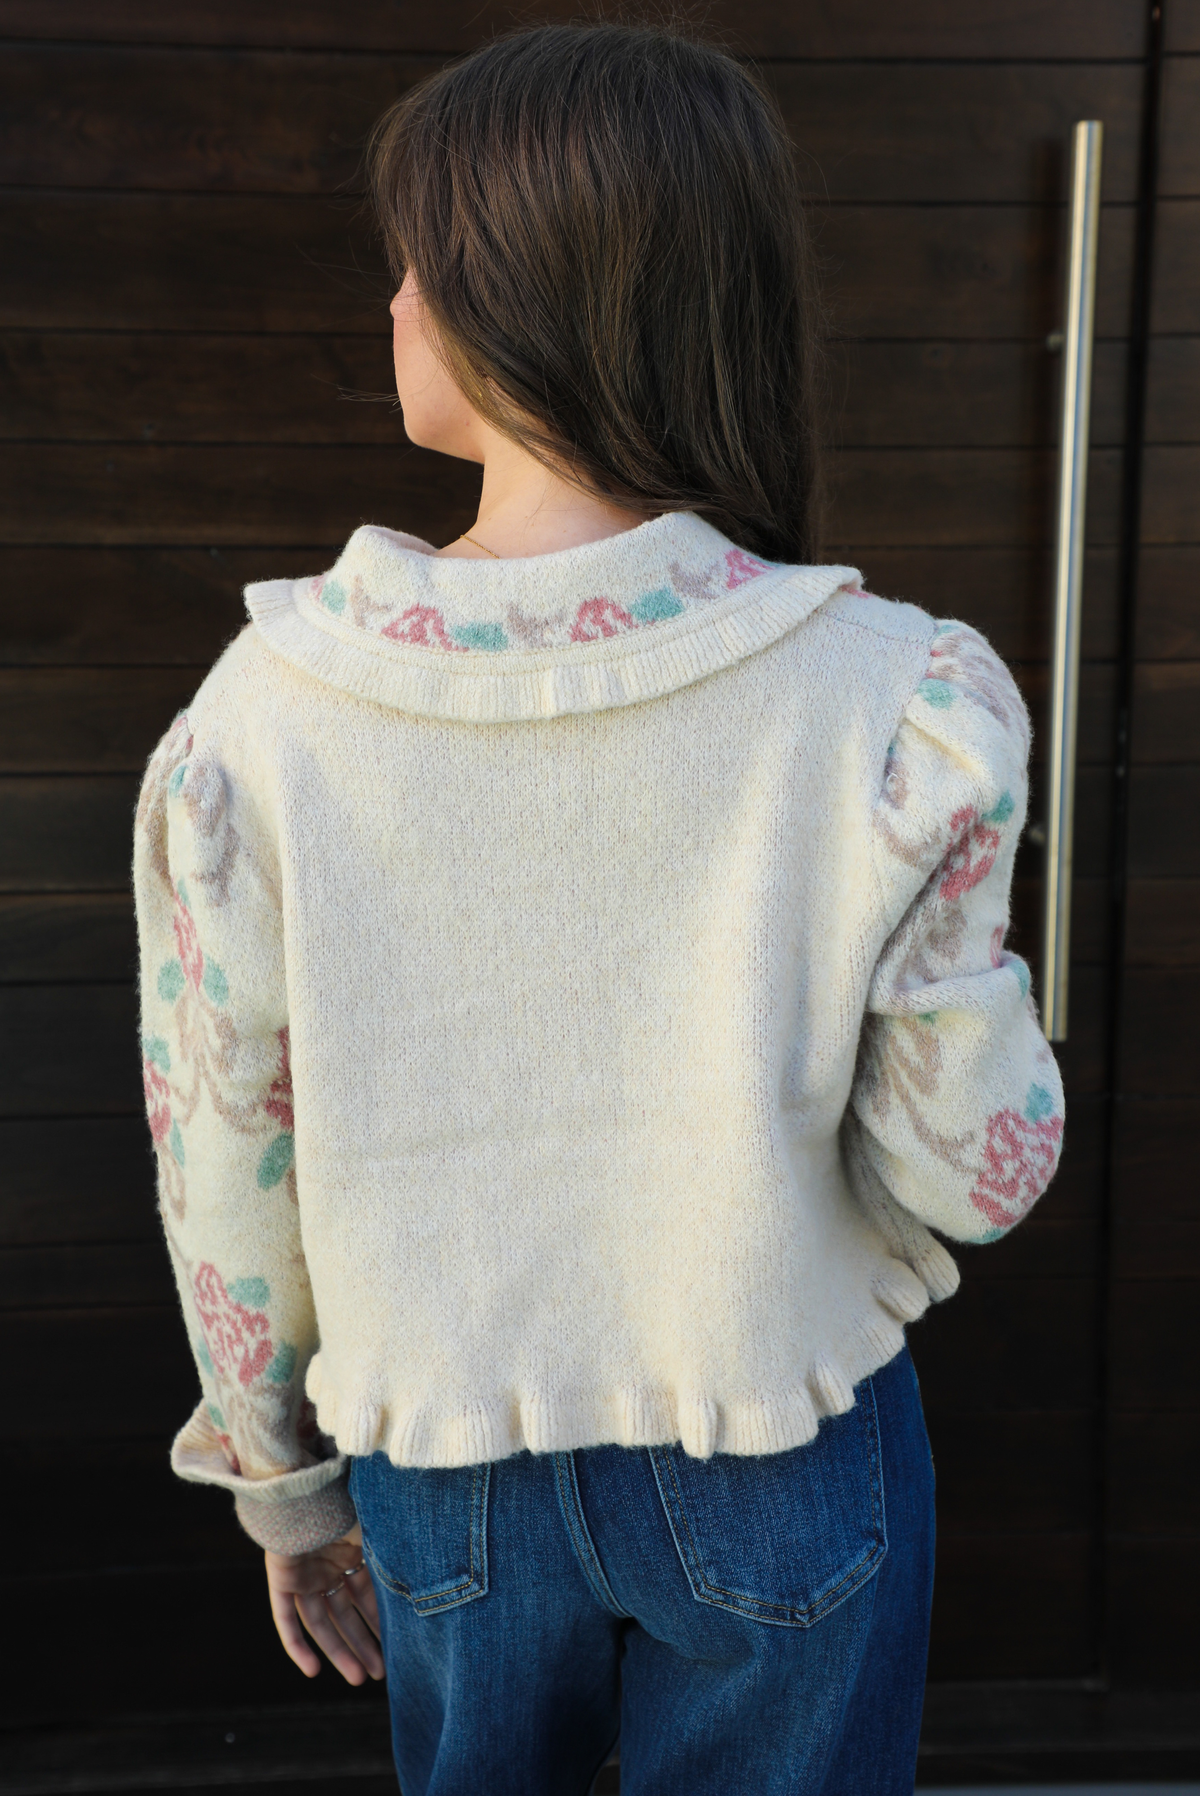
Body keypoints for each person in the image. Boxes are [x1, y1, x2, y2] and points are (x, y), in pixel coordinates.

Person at [133, 21, 1065, 1795]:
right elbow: (981, 1177)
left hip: (442, 1467)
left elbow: (222, 1165)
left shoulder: (262, 720)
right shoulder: (903, 699)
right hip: (780, 1436)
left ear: (515, 303)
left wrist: (281, 1484)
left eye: (419, 260)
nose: (392, 301)